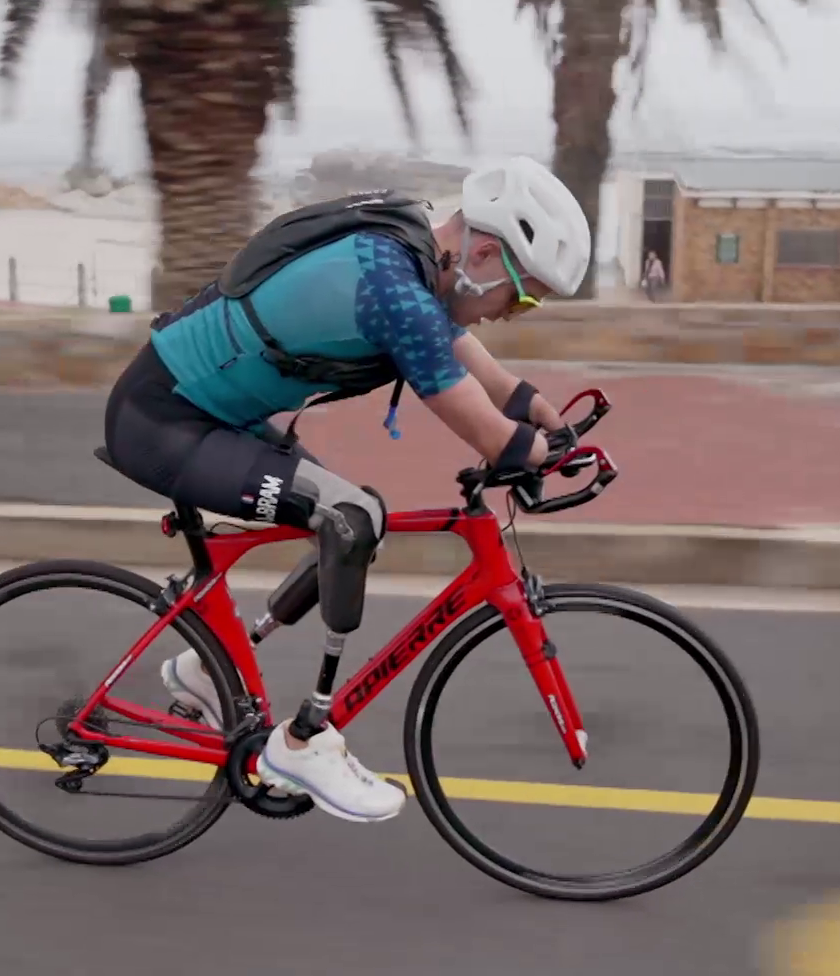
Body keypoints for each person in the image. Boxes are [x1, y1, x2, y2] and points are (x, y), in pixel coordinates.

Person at [99, 156, 591, 823]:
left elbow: (468, 359)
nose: (513, 315)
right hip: (163, 425)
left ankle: (201, 669)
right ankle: (304, 741)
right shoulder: (392, 287)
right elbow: (484, 428)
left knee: (358, 517)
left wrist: (538, 411)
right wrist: (540, 452)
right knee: (348, 517)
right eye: (523, 297)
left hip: (214, 416)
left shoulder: (411, 251)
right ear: (483, 254)